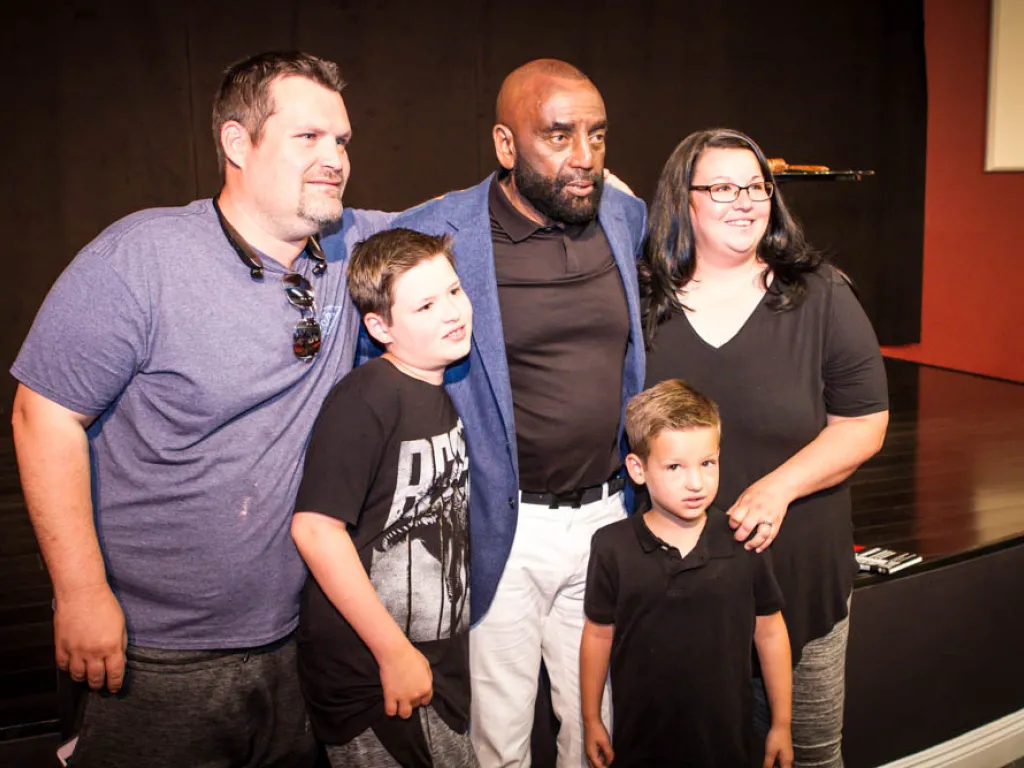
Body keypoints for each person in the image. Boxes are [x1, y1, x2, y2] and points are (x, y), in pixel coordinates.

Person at [9, 51, 391, 767]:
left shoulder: (354, 248)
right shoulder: (140, 259)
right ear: (237, 143)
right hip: (153, 654)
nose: (335, 158)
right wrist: (81, 593)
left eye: (342, 140)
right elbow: (43, 416)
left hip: (296, 640)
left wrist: (602, 191)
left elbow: (474, 220)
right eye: (308, 137)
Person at [389, 59, 647, 767]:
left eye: (597, 135)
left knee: (597, 729)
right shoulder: (439, 234)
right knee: (499, 740)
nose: (585, 156)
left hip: (607, 517)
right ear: (506, 145)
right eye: (559, 136)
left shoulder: (622, 217)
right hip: (500, 525)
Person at [639, 128, 889, 767]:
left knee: (806, 755)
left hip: (798, 575)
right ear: (684, 200)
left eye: (756, 187)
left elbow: (865, 423)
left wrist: (779, 488)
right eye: (723, 187)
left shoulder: (820, 294)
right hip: (678, 588)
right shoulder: (643, 302)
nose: (745, 201)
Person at [290, 228, 478, 768]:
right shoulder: (367, 397)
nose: (452, 312)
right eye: (425, 305)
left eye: (454, 291)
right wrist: (393, 652)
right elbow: (315, 529)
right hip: (373, 679)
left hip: (431, 668)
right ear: (380, 327)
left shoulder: (436, 393)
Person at [580, 378, 793, 768]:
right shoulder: (611, 547)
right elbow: (597, 634)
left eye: (707, 463)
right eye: (675, 467)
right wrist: (591, 719)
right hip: (641, 746)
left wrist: (781, 724)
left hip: (727, 746)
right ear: (638, 469)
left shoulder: (743, 540)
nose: (696, 483)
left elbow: (770, 631)